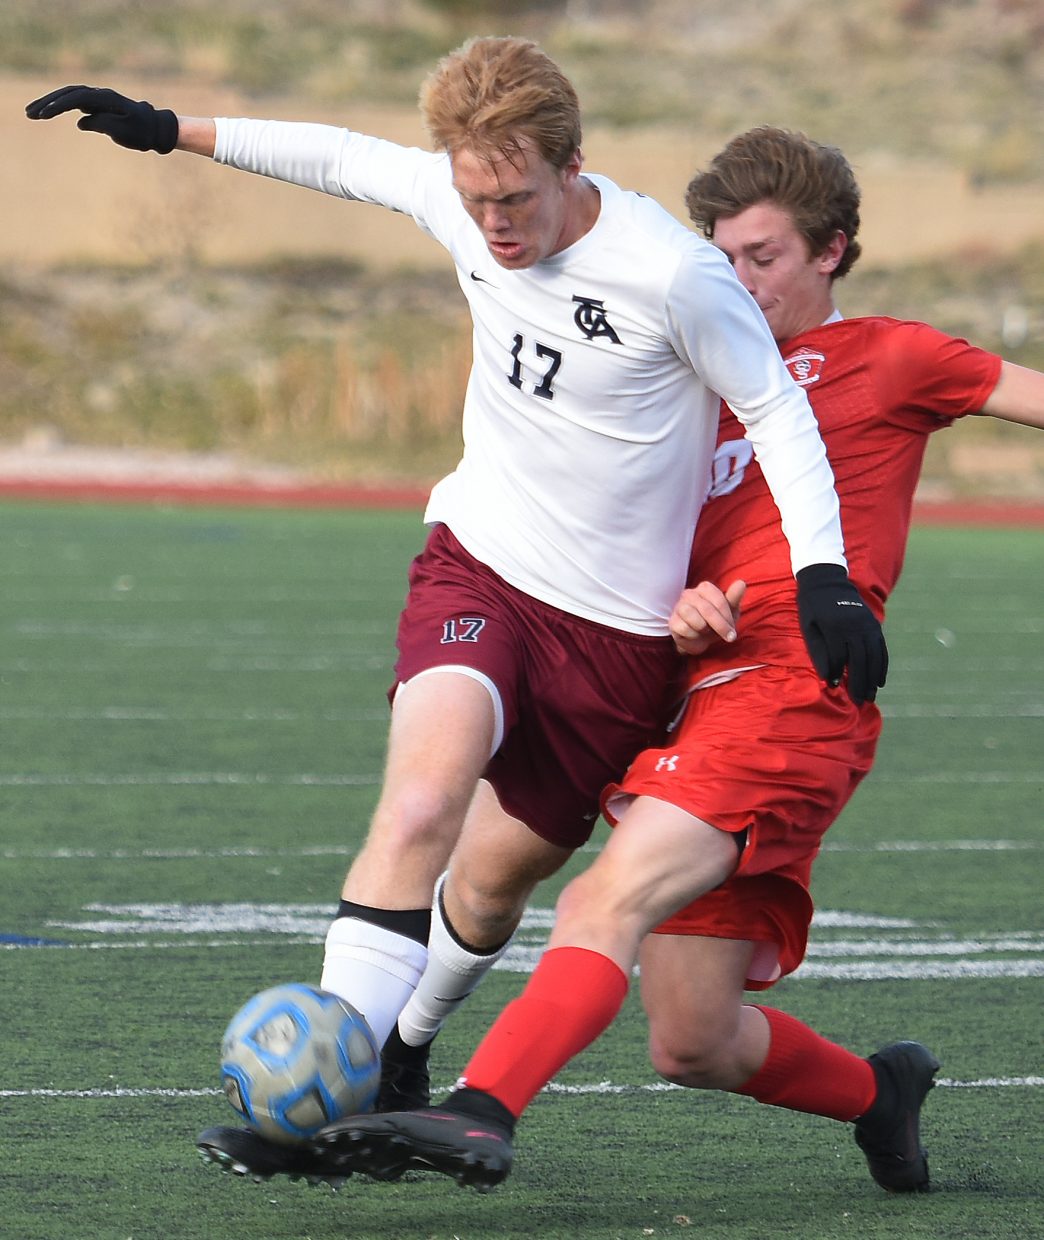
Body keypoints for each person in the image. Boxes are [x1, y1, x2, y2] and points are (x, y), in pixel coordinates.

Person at [26, 59, 885, 1182]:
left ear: (571, 167)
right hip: (479, 568)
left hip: (613, 641)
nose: (493, 223)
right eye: (475, 199)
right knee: (424, 796)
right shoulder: (465, 195)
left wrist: (823, 572)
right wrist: (164, 127)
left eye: (516, 200)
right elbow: (336, 155)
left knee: (488, 887)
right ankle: (320, 1102)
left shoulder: (673, 274)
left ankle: (404, 1051)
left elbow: (774, 406)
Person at [321, 125, 1044, 1194]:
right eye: (724, 258)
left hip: (792, 697)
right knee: (692, 1037)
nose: (738, 280)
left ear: (832, 250)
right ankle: (879, 1093)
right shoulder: (690, 376)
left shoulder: (893, 356)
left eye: (765, 257)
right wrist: (685, 607)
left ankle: (479, 1109)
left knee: (597, 904)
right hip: (688, 701)